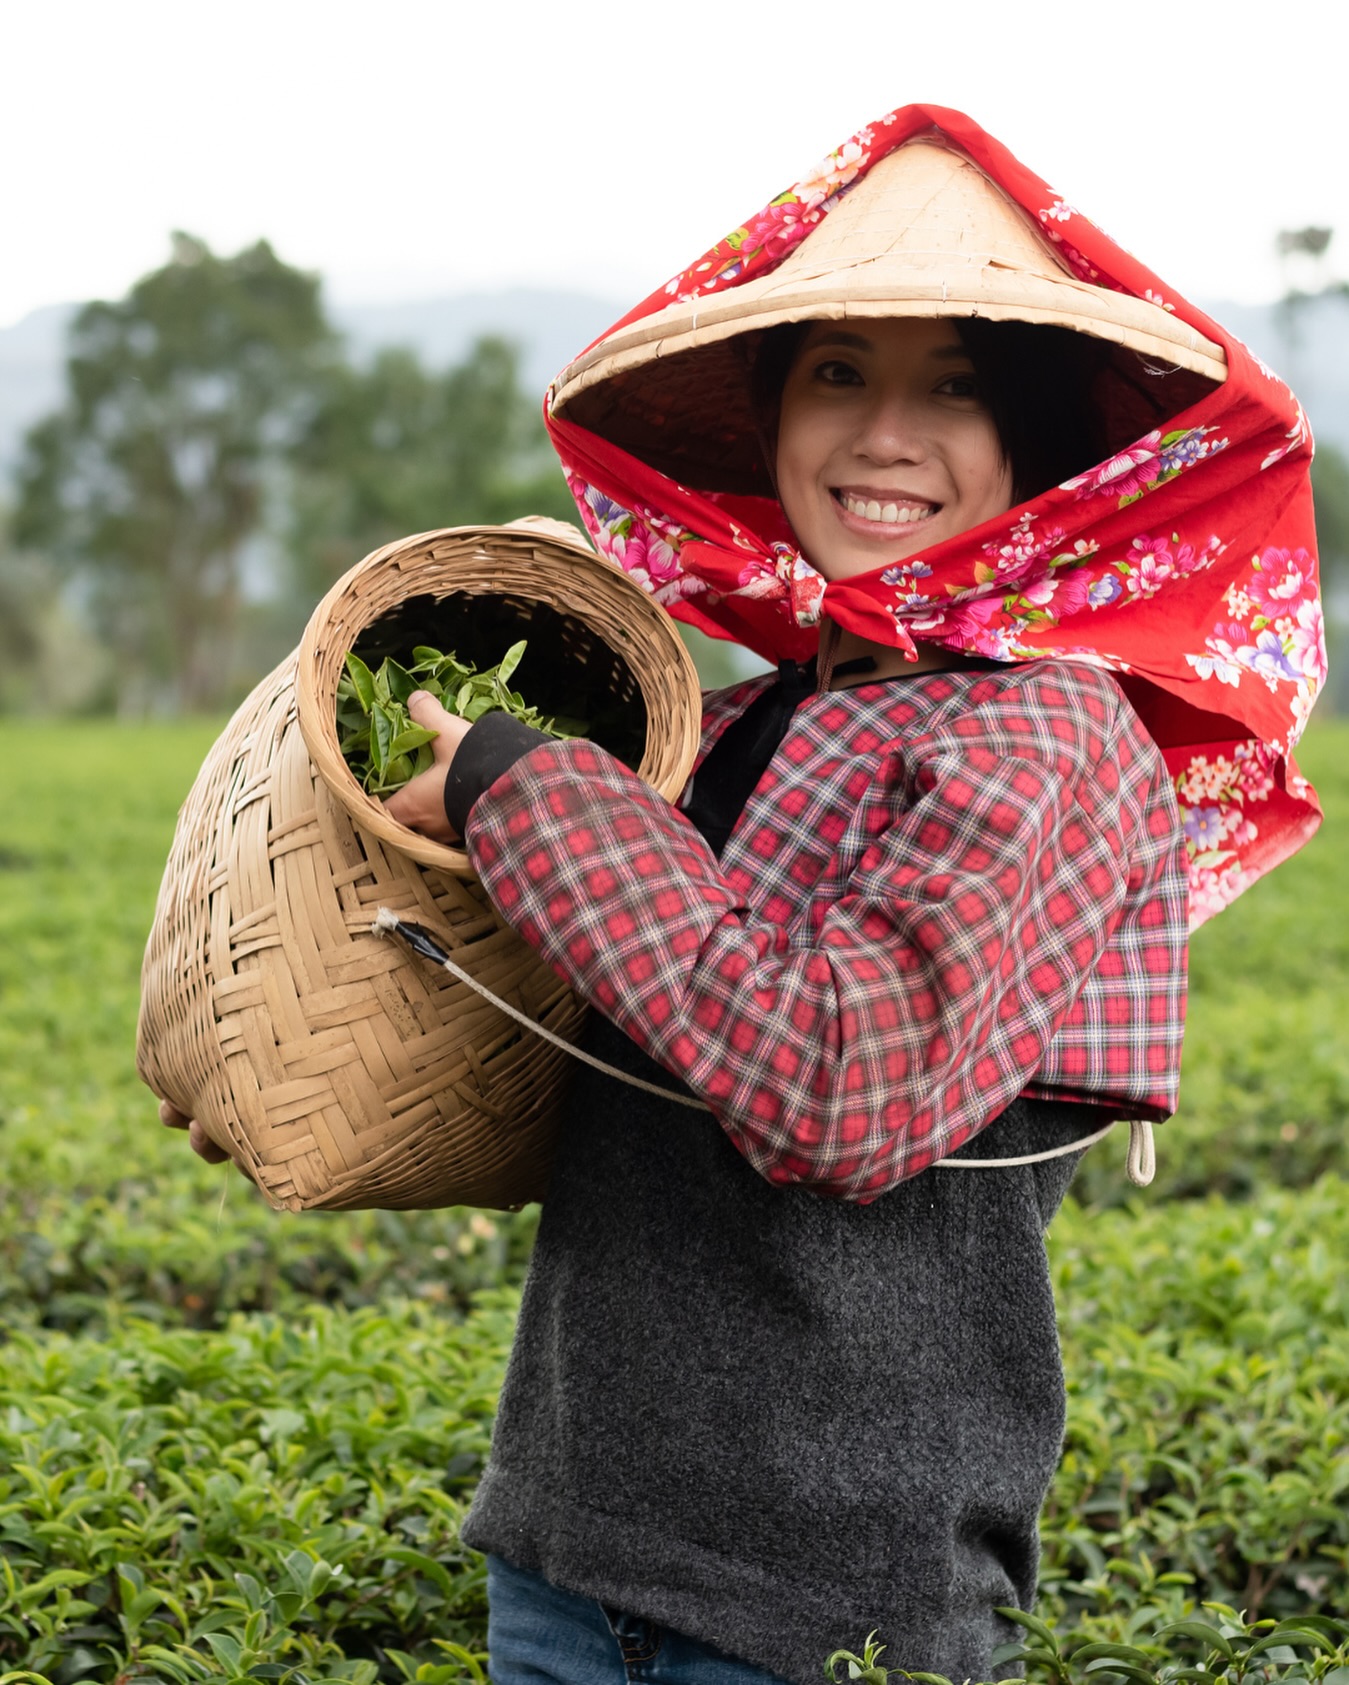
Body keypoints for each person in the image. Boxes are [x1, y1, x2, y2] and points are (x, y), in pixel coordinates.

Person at [163, 105, 1323, 1684]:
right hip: (572, 1552)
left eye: (954, 387)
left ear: (1031, 451)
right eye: (836, 372)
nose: (883, 433)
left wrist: (522, 781)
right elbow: (630, 1053)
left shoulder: (1046, 733)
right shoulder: (751, 714)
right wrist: (303, 1052)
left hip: (814, 1608)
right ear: (773, 420)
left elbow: (842, 1086)